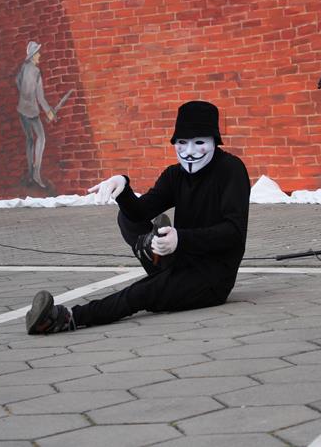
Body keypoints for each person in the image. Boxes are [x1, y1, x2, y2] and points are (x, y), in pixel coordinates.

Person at [25, 100, 250, 335]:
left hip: (211, 278)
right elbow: (140, 212)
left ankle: (66, 318)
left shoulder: (231, 170)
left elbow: (234, 233)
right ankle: (156, 259)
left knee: (140, 292)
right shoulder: (175, 175)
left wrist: (181, 239)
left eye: (199, 143)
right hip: (180, 260)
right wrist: (123, 187)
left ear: (214, 141)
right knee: (127, 218)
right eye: (182, 143)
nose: (190, 151)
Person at [16, 40, 55, 188]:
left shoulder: (23, 68)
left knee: (29, 140)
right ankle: (36, 173)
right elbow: (40, 97)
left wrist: (23, 96)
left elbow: (17, 81)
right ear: (33, 56)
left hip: (22, 110)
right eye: (37, 53)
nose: (39, 55)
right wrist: (49, 112)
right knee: (41, 138)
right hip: (32, 112)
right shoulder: (37, 72)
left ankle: (30, 172)